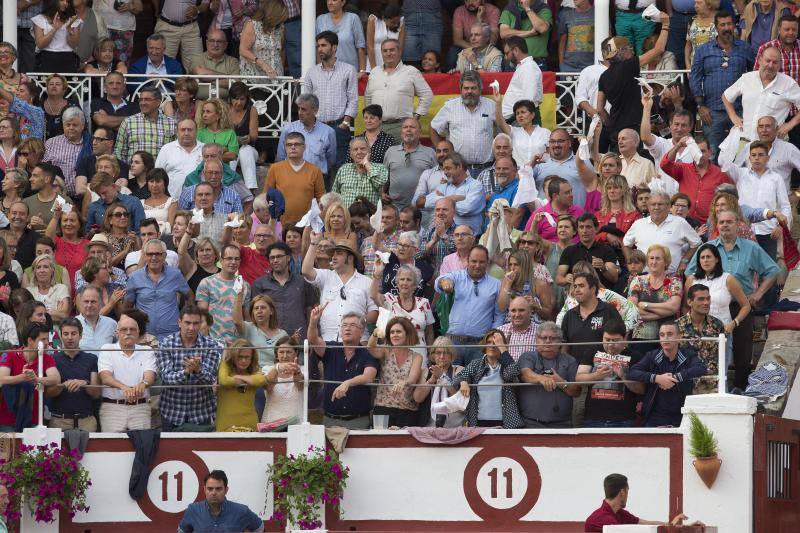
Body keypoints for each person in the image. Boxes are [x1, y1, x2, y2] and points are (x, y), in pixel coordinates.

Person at [686, 209, 779, 389]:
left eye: (729, 222)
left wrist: (758, 294)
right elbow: (691, 274)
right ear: (717, 226)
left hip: (741, 305)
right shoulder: (708, 249)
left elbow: (773, 271)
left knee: (743, 352)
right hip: (712, 307)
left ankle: (741, 389)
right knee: (710, 352)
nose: (725, 225)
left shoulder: (751, 248)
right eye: (721, 222)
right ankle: (713, 388)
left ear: (738, 225)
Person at [691, 11, 755, 159]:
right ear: (716, 27)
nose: (726, 28)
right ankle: (714, 183)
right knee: (713, 154)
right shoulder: (703, 50)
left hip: (740, 110)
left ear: (734, 25)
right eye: (722, 25)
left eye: (729, 24)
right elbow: (695, 78)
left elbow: (754, 76)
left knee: (741, 154)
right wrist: (700, 106)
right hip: (712, 112)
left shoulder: (746, 48)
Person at [596, 24, 669, 147]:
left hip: (616, 131)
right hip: (634, 128)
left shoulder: (603, 77)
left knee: (621, 164)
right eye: (630, 47)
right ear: (621, 51)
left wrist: (611, 123)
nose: (633, 50)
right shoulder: (629, 66)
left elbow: (599, 108)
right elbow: (659, 49)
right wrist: (665, 25)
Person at [308, 306, 379, 429]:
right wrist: (313, 322)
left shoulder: (368, 353)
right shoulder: (331, 348)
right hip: (330, 420)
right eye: (344, 325)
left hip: (358, 421)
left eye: (352, 325)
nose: (347, 328)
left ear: (362, 331)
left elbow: (368, 377)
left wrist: (348, 383)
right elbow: (313, 340)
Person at [719, 141, 791, 262]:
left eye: (760, 155)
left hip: (768, 232)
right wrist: (734, 135)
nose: (757, 158)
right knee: (744, 268)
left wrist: (781, 227)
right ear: (749, 157)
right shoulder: (740, 173)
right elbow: (722, 161)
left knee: (768, 271)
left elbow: (785, 205)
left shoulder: (776, 178)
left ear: (767, 158)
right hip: (742, 230)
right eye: (753, 155)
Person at [628, 321, 707, 426]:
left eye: (670, 334)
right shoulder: (652, 356)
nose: (665, 338)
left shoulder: (688, 355)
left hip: (682, 416)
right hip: (654, 417)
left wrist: (675, 378)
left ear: (679, 336)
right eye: (662, 335)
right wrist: (657, 378)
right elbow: (632, 372)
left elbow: (701, 368)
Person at [156, 305, 221, 432]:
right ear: (179, 323)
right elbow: (166, 378)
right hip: (172, 412)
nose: (191, 328)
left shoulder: (210, 345)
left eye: (196, 323)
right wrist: (186, 372)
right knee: (170, 451)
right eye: (187, 323)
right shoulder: (166, 344)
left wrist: (198, 370)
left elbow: (210, 379)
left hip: (201, 413)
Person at [436, 245, 504, 365]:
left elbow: (499, 315)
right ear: (467, 260)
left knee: (476, 382)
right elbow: (440, 282)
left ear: (487, 262)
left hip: (479, 344)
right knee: (450, 380)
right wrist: (444, 282)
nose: (477, 265)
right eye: (474, 261)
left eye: (482, 262)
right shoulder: (457, 277)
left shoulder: (496, 285)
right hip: (453, 342)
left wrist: (492, 337)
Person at [302, 235, 376, 342]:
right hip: (328, 340)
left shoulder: (367, 282)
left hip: (358, 341)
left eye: (339, 254)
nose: (333, 257)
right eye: (333, 254)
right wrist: (313, 243)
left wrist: (361, 320)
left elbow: (375, 312)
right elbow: (306, 270)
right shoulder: (326, 276)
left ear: (350, 258)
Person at [304, 31, 358, 170]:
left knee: (341, 168)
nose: (320, 49)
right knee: (316, 168)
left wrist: (345, 123)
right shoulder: (312, 72)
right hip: (317, 127)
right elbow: (307, 102)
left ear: (334, 48)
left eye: (323, 45)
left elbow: (353, 99)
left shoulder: (348, 70)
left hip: (339, 126)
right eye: (318, 46)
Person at [577, 320, 644, 428]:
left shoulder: (635, 356)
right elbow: (578, 379)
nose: (610, 344)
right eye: (607, 340)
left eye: (615, 340)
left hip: (624, 419)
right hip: (594, 418)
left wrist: (623, 376)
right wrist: (596, 375)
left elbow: (641, 389)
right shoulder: (592, 351)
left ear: (624, 338)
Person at [722, 45, 800, 138]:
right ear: (760, 60)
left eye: (775, 62)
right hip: (744, 137)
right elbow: (726, 96)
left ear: (780, 64)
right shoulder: (747, 78)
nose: (770, 65)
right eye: (768, 61)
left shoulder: (788, 84)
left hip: (771, 142)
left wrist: (789, 125)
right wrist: (733, 116)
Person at [97, 313, 157, 432]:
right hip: (113, 408)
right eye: (124, 329)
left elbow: (150, 375)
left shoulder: (147, 350)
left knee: (143, 445)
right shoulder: (107, 349)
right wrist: (124, 388)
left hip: (140, 407)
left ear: (138, 332)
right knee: (112, 447)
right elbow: (105, 377)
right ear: (117, 332)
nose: (128, 332)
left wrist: (143, 384)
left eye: (132, 329)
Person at [364, 39, 433, 141]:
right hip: (377, 127)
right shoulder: (374, 72)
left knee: (401, 157)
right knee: (377, 157)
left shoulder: (411, 71)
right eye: (385, 51)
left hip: (401, 127)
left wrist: (416, 117)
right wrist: (371, 119)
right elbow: (368, 97)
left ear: (399, 51)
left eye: (392, 50)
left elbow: (427, 95)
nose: (388, 53)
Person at [430, 71, 495, 177]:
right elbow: (433, 127)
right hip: (458, 170)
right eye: (466, 88)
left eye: (473, 88)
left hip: (486, 170)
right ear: (461, 89)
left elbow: (502, 131)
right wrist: (442, 152)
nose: (469, 91)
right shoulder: (450, 107)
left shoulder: (491, 105)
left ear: (480, 89)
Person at [125, 239, 190, 340]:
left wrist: (186, 318)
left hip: (172, 335)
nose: (154, 258)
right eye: (150, 254)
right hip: (144, 335)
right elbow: (127, 308)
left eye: (158, 254)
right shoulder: (134, 277)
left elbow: (189, 297)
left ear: (164, 256)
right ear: (145, 256)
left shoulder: (175, 275)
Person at [622, 191, 701, 274]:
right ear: (649, 207)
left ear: (668, 207)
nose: (656, 207)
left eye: (660, 204)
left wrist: (684, 261)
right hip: (642, 277)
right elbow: (625, 244)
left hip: (671, 277)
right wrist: (631, 263)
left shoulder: (679, 223)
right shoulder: (639, 224)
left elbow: (696, 243)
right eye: (653, 204)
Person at [456, 329, 522, 428]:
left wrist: (503, 348)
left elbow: (513, 372)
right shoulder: (476, 364)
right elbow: (457, 378)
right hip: (478, 421)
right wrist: (463, 382)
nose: (492, 345)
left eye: (495, 342)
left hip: (506, 422)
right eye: (489, 342)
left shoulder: (506, 364)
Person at [0, 323, 60, 431]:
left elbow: (55, 378)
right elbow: (1, 379)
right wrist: (23, 377)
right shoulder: (9, 354)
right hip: (8, 420)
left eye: (47, 339)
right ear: (30, 341)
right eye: (43, 339)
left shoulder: (47, 358)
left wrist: (36, 379)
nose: (47, 343)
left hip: (33, 420)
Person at [660, 136, 732, 224]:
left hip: (708, 226)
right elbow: (664, 164)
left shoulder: (721, 174)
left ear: (710, 152)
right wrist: (678, 145)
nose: (699, 155)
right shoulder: (683, 169)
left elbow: (731, 199)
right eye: (696, 151)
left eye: (703, 151)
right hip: (684, 222)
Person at [45, 317, 100, 431]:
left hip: (86, 421)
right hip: (59, 420)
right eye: (66, 334)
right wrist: (63, 385)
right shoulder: (52, 359)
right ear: (60, 336)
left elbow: (95, 393)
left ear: (80, 335)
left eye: (73, 333)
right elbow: (48, 393)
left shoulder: (92, 359)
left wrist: (84, 383)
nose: (69, 337)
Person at [584, 473, 691, 531]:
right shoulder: (601, 519)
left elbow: (647, 524)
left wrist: (671, 524)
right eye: (628, 491)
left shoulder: (619, 513)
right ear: (622, 493)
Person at [370, 262, 435, 358]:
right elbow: (373, 295)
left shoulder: (424, 303)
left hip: (420, 357)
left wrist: (431, 355)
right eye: (402, 279)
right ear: (397, 282)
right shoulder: (388, 299)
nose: (404, 282)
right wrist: (377, 274)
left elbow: (429, 333)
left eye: (408, 280)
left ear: (415, 284)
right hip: (392, 358)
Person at [367, 317, 423, 428]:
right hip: (383, 407)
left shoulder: (417, 356)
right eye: (392, 332)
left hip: (407, 409)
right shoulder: (386, 351)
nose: (394, 335)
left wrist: (404, 382)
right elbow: (370, 347)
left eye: (398, 332)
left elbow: (412, 378)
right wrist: (375, 334)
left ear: (408, 334)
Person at [560, 271, 625, 365]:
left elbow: (621, 340)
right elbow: (564, 348)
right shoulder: (569, 315)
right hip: (575, 372)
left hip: (602, 371)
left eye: (581, 286)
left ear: (593, 289)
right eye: (575, 286)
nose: (577, 290)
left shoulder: (609, 310)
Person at [627, 244, 683, 347]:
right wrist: (665, 313)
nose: (654, 262)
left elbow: (674, 307)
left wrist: (645, 305)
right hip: (640, 338)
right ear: (647, 262)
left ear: (666, 262)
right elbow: (631, 310)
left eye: (658, 258)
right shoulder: (638, 281)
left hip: (667, 337)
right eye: (651, 258)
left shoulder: (674, 282)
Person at [266, 132, 325, 226]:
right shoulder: (275, 168)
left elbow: (321, 198)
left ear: (304, 147)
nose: (293, 147)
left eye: (297, 144)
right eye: (289, 144)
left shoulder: (315, 170)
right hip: (280, 224)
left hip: (307, 224)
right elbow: (266, 196)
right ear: (285, 148)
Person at [178, 470, 264, 533]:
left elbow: (259, 528)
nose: (214, 493)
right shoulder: (193, 510)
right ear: (204, 489)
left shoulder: (241, 511)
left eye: (218, 489)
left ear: (226, 490)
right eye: (210, 489)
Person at [677, 284, 725, 394]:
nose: (706, 303)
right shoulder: (678, 326)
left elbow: (722, 356)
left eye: (708, 299)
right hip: (686, 383)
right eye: (701, 299)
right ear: (689, 302)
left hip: (712, 384)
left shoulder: (717, 325)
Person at [422, 152, 486, 236]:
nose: (445, 172)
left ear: (459, 167)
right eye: (444, 169)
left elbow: (466, 209)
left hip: (469, 239)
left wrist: (443, 201)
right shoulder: (444, 186)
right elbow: (428, 203)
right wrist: (452, 198)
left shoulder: (475, 185)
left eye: (448, 168)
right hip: (444, 237)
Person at [275, 94, 336, 181]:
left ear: (315, 110)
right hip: (291, 178)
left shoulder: (328, 132)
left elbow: (331, 160)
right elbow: (281, 157)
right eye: (299, 108)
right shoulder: (288, 129)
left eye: (303, 109)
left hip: (318, 179)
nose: (300, 112)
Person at [383, 118, 437, 211]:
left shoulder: (430, 152)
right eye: (405, 127)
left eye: (412, 127)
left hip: (422, 208)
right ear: (401, 132)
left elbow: (437, 178)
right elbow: (384, 176)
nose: (408, 129)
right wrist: (382, 193)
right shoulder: (391, 151)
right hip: (395, 207)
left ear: (419, 132)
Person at [528, 129, 590, 209]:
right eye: (552, 142)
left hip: (575, 218)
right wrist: (532, 163)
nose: (556, 145)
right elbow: (522, 181)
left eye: (560, 141)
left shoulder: (581, 161)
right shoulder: (539, 165)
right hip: (546, 218)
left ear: (569, 143)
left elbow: (593, 185)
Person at [215, 338, 268, 431]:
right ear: (233, 356)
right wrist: (248, 380)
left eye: (247, 357)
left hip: (250, 425)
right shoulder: (225, 368)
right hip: (226, 425)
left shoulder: (254, 370)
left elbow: (261, 380)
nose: (243, 361)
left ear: (252, 357)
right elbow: (223, 380)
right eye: (240, 357)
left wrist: (239, 378)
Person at [114, 86, 177, 164]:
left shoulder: (171, 124)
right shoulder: (128, 122)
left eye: (147, 99)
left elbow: (176, 152)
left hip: (161, 174)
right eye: (141, 100)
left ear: (158, 102)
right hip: (133, 173)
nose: (142, 103)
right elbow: (119, 152)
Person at [557, 213, 619, 290]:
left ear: (596, 229)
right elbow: (558, 279)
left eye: (588, 227)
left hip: (601, 297)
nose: (584, 231)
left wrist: (603, 268)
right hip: (577, 297)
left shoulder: (607, 250)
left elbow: (614, 278)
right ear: (577, 230)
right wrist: (566, 279)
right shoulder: (569, 251)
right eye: (581, 227)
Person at [413, 337, 464, 428]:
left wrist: (443, 378)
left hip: (454, 425)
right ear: (433, 355)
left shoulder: (459, 370)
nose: (442, 357)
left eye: (446, 353)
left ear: (452, 355)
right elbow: (417, 398)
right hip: (430, 425)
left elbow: (461, 402)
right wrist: (431, 381)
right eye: (438, 353)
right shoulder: (426, 372)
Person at [332, 138, 388, 208]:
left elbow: (381, 183)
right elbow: (335, 195)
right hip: (347, 216)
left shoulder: (380, 168)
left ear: (369, 151)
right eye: (355, 149)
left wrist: (366, 164)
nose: (359, 152)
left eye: (363, 149)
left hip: (371, 216)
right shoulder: (343, 169)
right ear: (351, 154)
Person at [525, 177, 583, 243]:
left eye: (571, 191)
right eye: (567, 193)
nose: (571, 195)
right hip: (547, 251)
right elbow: (527, 239)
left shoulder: (579, 212)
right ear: (555, 196)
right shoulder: (539, 215)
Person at [44, 202, 87, 289]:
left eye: (72, 220)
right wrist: (56, 216)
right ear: (60, 224)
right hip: (57, 291)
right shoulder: (56, 242)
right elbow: (47, 239)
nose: (68, 224)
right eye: (65, 220)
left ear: (79, 224)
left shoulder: (87, 245)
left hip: (81, 291)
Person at [261, 336, 304, 424]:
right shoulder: (267, 369)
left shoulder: (303, 370)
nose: (285, 356)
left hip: (296, 425)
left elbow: (300, 386)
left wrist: (296, 371)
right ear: (276, 354)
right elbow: (268, 387)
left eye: (288, 352)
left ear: (296, 353)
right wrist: (277, 368)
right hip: (271, 424)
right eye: (281, 352)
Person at [499, 0, 552, 70]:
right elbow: (503, 33)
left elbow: (542, 28)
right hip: (513, 62)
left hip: (536, 62)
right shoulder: (510, 9)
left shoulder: (543, 9)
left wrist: (527, 8)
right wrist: (529, 33)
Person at [315, 0, 366, 74]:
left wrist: (362, 71)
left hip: (350, 72)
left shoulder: (353, 19)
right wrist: (320, 70)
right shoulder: (320, 20)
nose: (330, 2)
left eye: (334, 0)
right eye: (328, 0)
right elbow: (317, 47)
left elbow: (361, 46)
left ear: (343, 2)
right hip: (327, 72)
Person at [239, 0, 286, 78]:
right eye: (279, 17)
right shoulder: (252, 25)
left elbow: (282, 50)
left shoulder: (280, 28)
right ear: (271, 14)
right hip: (255, 79)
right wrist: (263, 65)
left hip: (276, 79)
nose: (281, 21)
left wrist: (280, 71)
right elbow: (243, 50)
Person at [31, 0, 81, 72]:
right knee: (46, 83)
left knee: (68, 83)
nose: (65, 3)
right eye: (61, 0)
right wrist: (54, 29)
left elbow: (74, 45)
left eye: (67, 1)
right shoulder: (40, 19)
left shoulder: (73, 20)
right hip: (46, 58)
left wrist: (69, 29)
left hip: (68, 58)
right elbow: (40, 44)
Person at [419, 198, 458, 275]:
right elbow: (419, 255)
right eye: (437, 210)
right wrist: (433, 241)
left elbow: (461, 252)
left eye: (445, 209)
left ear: (454, 212)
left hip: (452, 278)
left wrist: (443, 235)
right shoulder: (429, 231)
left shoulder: (460, 231)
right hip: (430, 279)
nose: (440, 213)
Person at [75, 285, 117, 354]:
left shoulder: (111, 324)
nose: (89, 305)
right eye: (86, 301)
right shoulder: (71, 324)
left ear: (100, 304)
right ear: (81, 303)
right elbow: (59, 348)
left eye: (93, 302)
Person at [28, 254, 70, 321]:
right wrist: (55, 312)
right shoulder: (29, 291)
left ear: (52, 270)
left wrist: (37, 314)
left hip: (56, 330)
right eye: (38, 267)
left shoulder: (61, 289)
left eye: (46, 267)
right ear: (34, 272)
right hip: (35, 330)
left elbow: (64, 314)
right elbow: (28, 316)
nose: (42, 270)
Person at [498, 296, 538, 362]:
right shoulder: (500, 331)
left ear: (530, 311)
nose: (517, 315)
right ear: (509, 312)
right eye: (513, 311)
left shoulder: (540, 331)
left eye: (521, 310)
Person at [557, 0, 594, 72]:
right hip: (569, 67)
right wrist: (561, 65)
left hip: (591, 66)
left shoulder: (599, 14)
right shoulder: (566, 15)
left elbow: (607, 40)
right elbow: (562, 42)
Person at [366, 4, 404, 70]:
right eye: (393, 22)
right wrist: (374, 69)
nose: (396, 25)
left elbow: (400, 48)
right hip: (374, 61)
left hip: (394, 64)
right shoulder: (373, 20)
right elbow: (370, 47)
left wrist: (395, 67)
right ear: (384, 18)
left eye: (397, 22)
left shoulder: (401, 22)